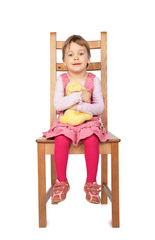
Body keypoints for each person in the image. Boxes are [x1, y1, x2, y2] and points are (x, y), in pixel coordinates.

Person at [43, 35, 109, 204]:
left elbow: (99, 107)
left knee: (92, 139)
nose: (76, 57)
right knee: (61, 139)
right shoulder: (62, 80)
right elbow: (58, 105)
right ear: (64, 60)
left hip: (89, 122)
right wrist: (80, 96)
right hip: (67, 123)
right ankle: (62, 181)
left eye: (81, 53)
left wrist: (79, 107)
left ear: (88, 58)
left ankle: (91, 183)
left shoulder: (93, 80)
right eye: (70, 54)